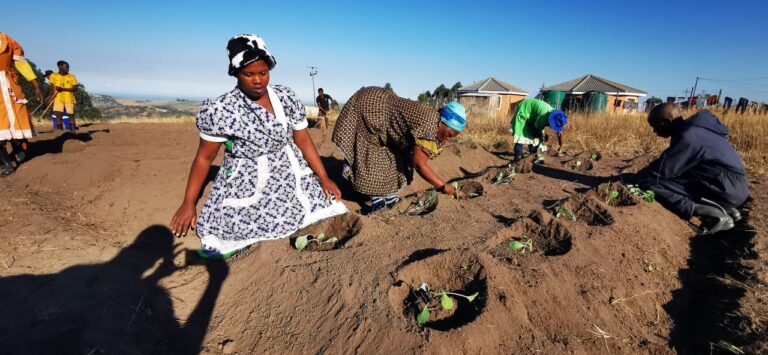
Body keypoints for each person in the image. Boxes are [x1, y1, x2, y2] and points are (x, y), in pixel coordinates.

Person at [170, 34, 347, 258]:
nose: (258, 80)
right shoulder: (222, 110)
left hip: (291, 171)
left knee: (323, 205)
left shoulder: (285, 97)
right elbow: (204, 159)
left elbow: (302, 139)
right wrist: (188, 203)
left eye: (263, 73)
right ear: (235, 74)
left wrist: (323, 177)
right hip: (250, 179)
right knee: (247, 226)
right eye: (249, 74)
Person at [331, 86, 466, 212]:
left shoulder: (435, 123)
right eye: (449, 134)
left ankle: (390, 198)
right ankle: (377, 201)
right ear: (442, 123)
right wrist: (444, 186)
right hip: (369, 108)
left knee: (393, 158)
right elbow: (419, 165)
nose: (449, 138)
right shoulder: (429, 125)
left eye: (452, 137)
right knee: (370, 157)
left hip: (384, 113)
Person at [634, 103, 750, 235]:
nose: (654, 132)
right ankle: (726, 209)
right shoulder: (695, 130)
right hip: (731, 186)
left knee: (649, 184)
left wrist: (633, 179)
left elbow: (661, 170)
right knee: (675, 179)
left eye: (655, 126)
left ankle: (713, 214)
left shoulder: (688, 137)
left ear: (666, 122)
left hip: (726, 188)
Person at [0, 32, 43, 176]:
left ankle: (19, 146)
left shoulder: (8, 41)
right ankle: (6, 164)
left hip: (10, 88)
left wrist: (36, 86)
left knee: (17, 124)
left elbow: (21, 63)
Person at [48, 60, 79, 132]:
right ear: (60, 67)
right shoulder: (54, 75)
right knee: (58, 114)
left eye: (68, 67)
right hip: (58, 98)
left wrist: (63, 89)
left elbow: (75, 88)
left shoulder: (72, 76)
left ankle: (72, 131)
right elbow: (51, 87)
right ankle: (60, 131)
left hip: (69, 98)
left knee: (70, 114)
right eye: (66, 67)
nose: (68, 69)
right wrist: (51, 96)